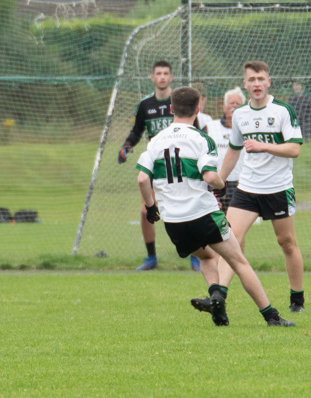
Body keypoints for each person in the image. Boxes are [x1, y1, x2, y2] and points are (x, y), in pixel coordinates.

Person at [139, 86, 295, 328]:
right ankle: (271, 316)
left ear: (171, 109)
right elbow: (211, 177)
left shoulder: (156, 141)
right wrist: (221, 184)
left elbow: (141, 179)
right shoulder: (201, 138)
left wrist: (150, 207)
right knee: (238, 261)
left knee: (206, 256)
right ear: (197, 109)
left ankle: (217, 302)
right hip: (202, 213)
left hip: (173, 221)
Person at [216, 60, 306, 314]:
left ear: (269, 81)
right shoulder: (240, 115)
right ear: (245, 84)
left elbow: (294, 149)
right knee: (230, 238)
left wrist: (263, 145)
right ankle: (218, 296)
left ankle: (297, 299)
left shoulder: (282, 111)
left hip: (278, 188)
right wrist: (220, 181)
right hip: (248, 188)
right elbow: (233, 152)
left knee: (286, 242)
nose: (256, 84)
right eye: (251, 80)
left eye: (261, 79)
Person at [118, 60, 175, 271]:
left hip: (178, 164)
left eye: (165, 73)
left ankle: (196, 255)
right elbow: (136, 131)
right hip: (156, 163)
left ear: (171, 77)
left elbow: (194, 129)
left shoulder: (178, 102)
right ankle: (151, 258)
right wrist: (126, 145)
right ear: (152, 78)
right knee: (145, 212)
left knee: (185, 209)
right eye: (158, 73)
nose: (162, 77)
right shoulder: (145, 105)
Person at [205, 87, 246, 210]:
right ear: (224, 107)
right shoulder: (210, 127)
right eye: (231, 103)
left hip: (241, 185)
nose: (234, 106)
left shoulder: (248, 130)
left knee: (236, 227)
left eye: (238, 104)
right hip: (217, 184)